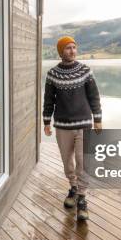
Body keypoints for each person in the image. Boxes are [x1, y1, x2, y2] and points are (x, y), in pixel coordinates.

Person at [43, 36, 102, 221]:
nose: (72, 50)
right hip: (62, 125)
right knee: (67, 161)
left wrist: (98, 119)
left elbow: (94, 96)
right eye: (68, 48)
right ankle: (73, 188)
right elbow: (48, 100)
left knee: (82, 162)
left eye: (74, 47)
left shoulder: (85, 71)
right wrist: (46, 122)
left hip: (84, 123)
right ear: (61, 51)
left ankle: (82, 198)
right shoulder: (52, 74)